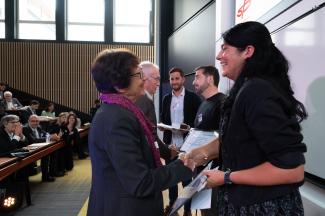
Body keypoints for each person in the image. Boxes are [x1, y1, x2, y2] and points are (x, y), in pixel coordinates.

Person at [183, 21, 307, 215]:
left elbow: (292, 170)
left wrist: (226, 177)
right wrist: (203, 151)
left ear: (247, 51)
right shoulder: (246, 88)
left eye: (225, 49)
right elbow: (238, 137)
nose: (218, 56)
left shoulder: (257, 91)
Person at [87, 48, 192, 216]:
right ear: (118, 85)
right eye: (138, 75)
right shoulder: (118, 119)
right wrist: (185, 165)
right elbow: (140, 182)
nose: (143, 80)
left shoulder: (116, 111)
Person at [160, 67, 201, 216]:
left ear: (183, 79)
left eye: (177, 78)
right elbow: (164, 119)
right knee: (171, 179)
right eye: (172, 79)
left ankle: (188, 210)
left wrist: (189, 128)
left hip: (187, 146)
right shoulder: (166, 98)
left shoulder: (193, 98)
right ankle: (172, 207)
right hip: (170, 146)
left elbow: (199, 122)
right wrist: (163, 127)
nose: (174, 81)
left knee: (186, 180)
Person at [192, 65, 226, 215]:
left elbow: (224, 138)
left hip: (214, 173)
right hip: (199, 171)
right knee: (204, 212)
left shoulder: (223, 103)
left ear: (210, 79)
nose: (193, 81)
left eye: (197, 77)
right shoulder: (204, 104)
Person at [135, 61, 177, 161]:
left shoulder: (136, 98)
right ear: (144, 78)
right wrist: (169, 152)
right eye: (156, 79)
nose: (158, 83)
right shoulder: (144, 100)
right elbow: (150, 137)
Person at [23, 115, 60, 182]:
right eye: (33, 121)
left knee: (53, 151)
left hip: (39, 148)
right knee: (45, 153)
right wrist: (50, 138)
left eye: (37, 121)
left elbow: (46, 134)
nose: (35, 123)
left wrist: (53, 136)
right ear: (28, 121)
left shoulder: (38, 127)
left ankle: (52, 172)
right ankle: (45, 176)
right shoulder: (25, 128)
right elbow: (33, 140)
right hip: (29, 150)